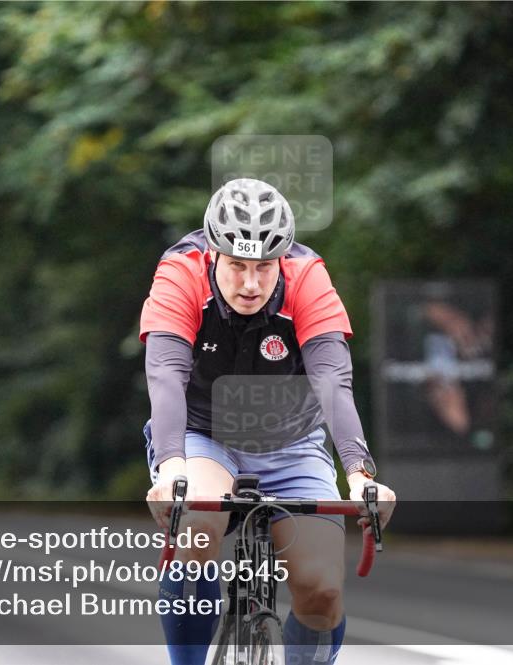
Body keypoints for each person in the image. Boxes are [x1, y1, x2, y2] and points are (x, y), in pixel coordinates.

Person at [140, 178, 396, 665]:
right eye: (237, 266)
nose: (251, 284)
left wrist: (361, 473)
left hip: (292, 440)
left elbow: (332, 379)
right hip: (202, 434)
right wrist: (172, 466)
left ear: (283, 258)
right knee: (197, 528)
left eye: (264, 267)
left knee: (321, 590)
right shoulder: (181, 273)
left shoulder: (307, 277)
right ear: (213, 255)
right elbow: (165, 374)